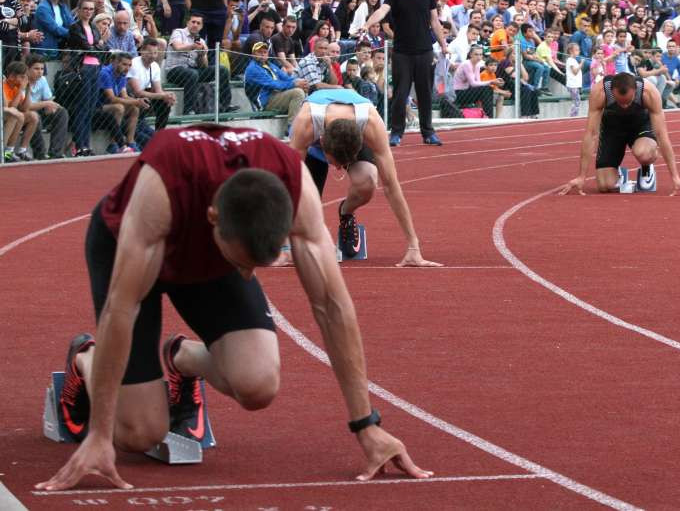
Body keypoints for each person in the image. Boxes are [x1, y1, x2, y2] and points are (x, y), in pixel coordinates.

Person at [36, 126, 431, 492]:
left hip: (211, 254)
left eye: (254, 266)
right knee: (138, 434)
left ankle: (181, 359)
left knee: (258, 385)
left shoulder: (296, 186)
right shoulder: (164, 180)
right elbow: (120, 312)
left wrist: (366, 425)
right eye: (243, 263)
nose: (246, 274)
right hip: (134, 246)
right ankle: (85, 359)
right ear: (213, 219)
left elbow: (332, 307)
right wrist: (99, 435)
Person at [287, 88, 442, 265]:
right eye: (335, 163)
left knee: (367, 180)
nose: (338, 170)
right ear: (322, 142)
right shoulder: (304, 124)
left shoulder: (372, 124)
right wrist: (285, 247)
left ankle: (346, 212)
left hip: (353, 127)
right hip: (314, 133)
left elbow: (391, 186)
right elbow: (290, 185)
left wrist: (414, 247)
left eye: (342, 164)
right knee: (307, 200)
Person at [559, 72, 680, 196]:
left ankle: (646, 168)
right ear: (612, 92)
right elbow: (591, 134)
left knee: (643, 153)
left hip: (640, 125)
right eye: (620, 102)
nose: (624, 106)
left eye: (628, 102)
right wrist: (581, 176)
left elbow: (661, 134)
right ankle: (619, 176)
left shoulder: (648, 92)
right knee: (605, 186)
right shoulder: (600, 92)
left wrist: (675, 177)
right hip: (612, 127)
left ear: (635, 91)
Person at [362, 0, 448, 147]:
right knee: (400, 95)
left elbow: (435, 22)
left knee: (425, 94)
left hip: (425, 51)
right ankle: (396, 132)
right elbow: (381, 11)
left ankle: (428, 132)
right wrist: (367, 24)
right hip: (402, 53)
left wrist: (443, 44)